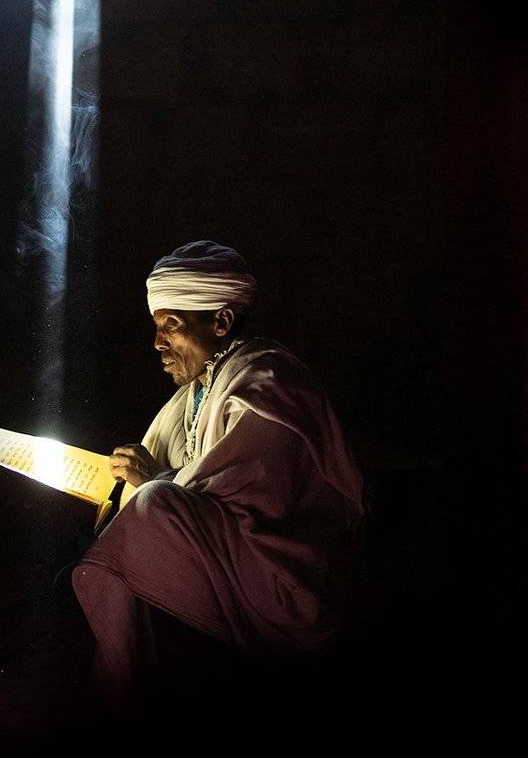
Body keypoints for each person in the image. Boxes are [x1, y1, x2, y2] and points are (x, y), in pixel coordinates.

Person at [71, 241, 365, 708]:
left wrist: (150, 485)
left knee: (151, 506)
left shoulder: (266, 384)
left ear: (221, 322)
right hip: (230, 563)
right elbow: (172, 482)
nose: (158, 342)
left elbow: (245, 508)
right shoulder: (194, 392)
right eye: (156, 327)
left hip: (283, 579)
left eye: (171, 325)